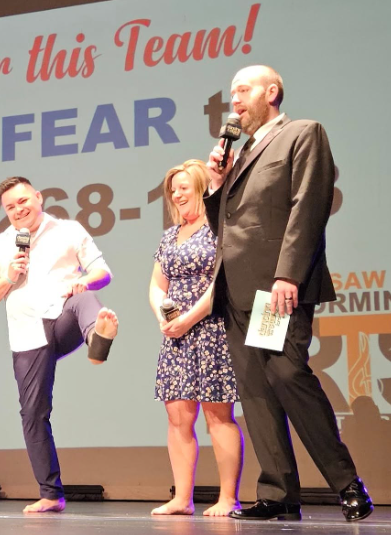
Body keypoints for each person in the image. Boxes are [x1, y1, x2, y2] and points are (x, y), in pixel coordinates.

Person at [204, 65, 373, 521]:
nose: (235, 100)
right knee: (256, 391)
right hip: (235, 290)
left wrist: (288, 276)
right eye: (232, 92)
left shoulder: (302, 133)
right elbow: (227, 225)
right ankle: (278, 493)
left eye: (244, 90)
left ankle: (347, 483)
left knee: (285, 375)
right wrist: (217, 185)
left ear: (272, 92)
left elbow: (308, 207)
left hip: (274, 288)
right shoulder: (240, 152)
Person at [0, 176, 119, 513]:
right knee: (33, 413)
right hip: (27, 333)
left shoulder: (68, 230)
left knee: (85, 299)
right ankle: (51, 494)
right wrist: (9, 277)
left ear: (38, 197)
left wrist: (83, 280)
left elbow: (102, 272)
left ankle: (96, 340)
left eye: (23, 201)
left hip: (64, 317)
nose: (18, 210)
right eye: (10, 207)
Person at [149, 160, 243, 517]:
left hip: (211, 328)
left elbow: (221, 283)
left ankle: (228, 498)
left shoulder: (218, 228)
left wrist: (188, 319)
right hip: (177, 336)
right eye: (173, 189)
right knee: (177, 418)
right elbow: (157, 284)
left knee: (218, 416)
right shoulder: (169, 236)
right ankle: (182, 498)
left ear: (202, 187)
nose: (176, 194)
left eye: (183, 187)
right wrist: (164, 316)